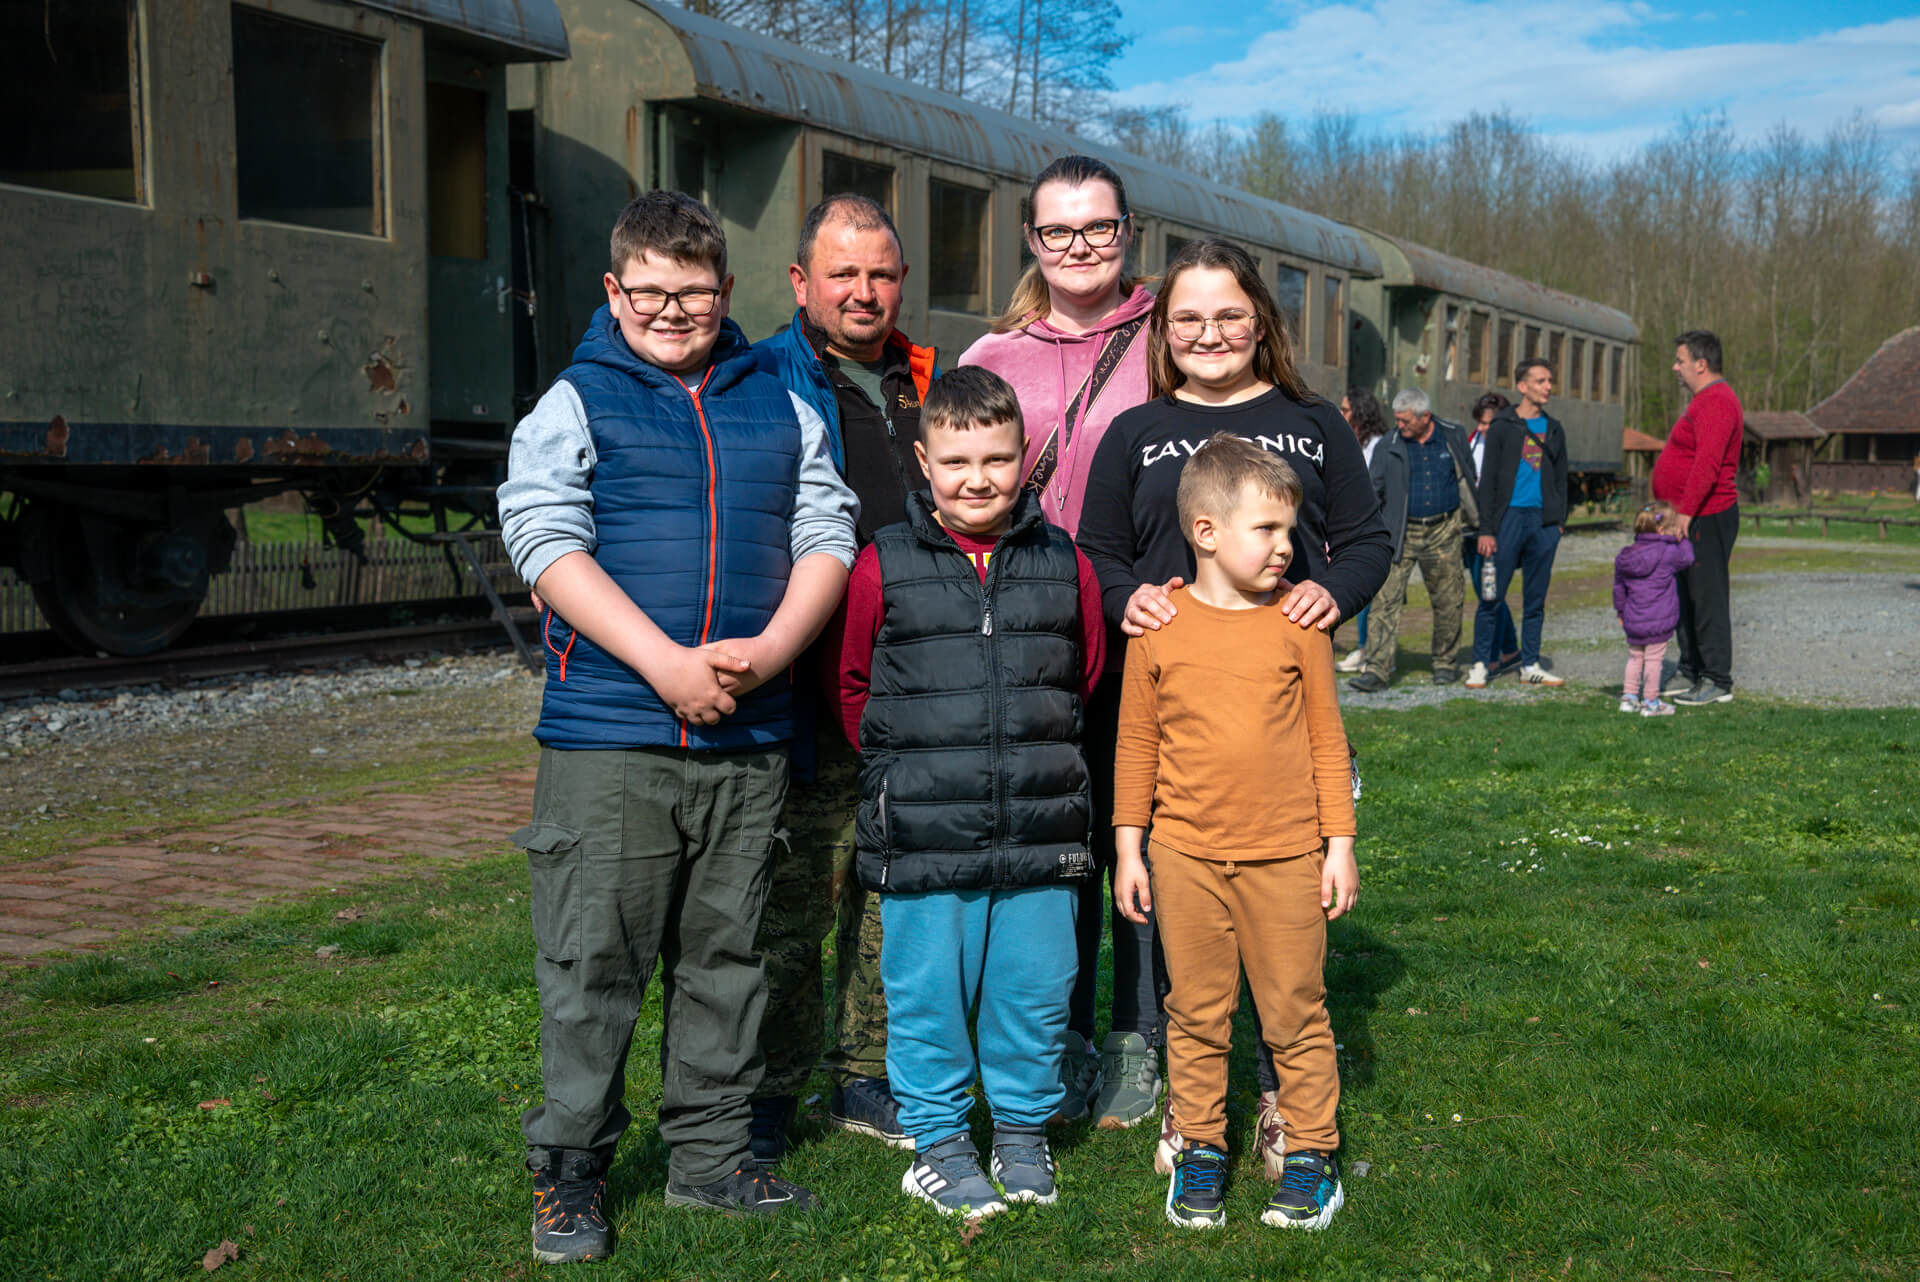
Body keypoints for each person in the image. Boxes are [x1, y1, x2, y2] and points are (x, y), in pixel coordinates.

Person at [496, 190, 857, 1263]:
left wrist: (773, 654)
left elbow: (826, 532)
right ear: (614, 291)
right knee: (592, 965)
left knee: (727, 959)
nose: (671, 311)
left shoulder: (779, 405)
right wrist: (665, 666)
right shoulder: (576, 401)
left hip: (746, 739)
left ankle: (711, 1160)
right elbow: (544, 539)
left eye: (693, 292)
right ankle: (570, 1172)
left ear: (725, 292)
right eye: (649, 291)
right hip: (612, 739)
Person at [1076, 238, 1389, 1158]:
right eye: (1188, 318)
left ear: (1261, 322)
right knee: (1170, 889)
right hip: (1173, 702)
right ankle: (1171, 1077)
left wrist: (1337, 593)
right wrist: (1121, 596)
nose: (1209, 333)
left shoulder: (1312, 422)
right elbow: (1097, 550)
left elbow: (1368, 540)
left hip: (1275, 706)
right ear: (1162, 330)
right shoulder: (1136, 430)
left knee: (1281, 916)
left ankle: (1279, 1092)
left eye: (1229, 316)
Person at [824, 365, 1106, 1217]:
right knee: (929, 997)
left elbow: (1084, 676)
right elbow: (853, 685)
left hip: (1040, 830)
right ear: (924, 462)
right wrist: (906, 773)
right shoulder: (883, 564)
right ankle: (940, 1142)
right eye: (955, 462)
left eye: (996, 459)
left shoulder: (1066, 563)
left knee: (1035, 990)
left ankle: (1020, 1131)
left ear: (1025, 457)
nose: (977, 479)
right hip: (923, 833)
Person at [1110, 433, 1358, 1232]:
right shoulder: (1158, 625)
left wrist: (1339, 845)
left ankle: (1312, 1154)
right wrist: (1129, 847)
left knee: (1295, 1011)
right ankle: (1202, 1149)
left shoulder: (1300, 624)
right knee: (1194, 1012)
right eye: (1269, 530)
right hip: (1183, 857)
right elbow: (1136, 743)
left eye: (1291, 530)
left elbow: (1326, 739)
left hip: (1286, 856)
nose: (1287, 547)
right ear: (1207, 532)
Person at [957, 154, 1156, 1123]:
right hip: (1035, 638)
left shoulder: (1168, 340)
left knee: (1148, 837)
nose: (1080, 246)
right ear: (1032, 240)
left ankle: (1141, 1038)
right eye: (1058, 230)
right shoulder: (992, 357)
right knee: (1058, 842)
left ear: (1128, 232)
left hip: (1149, 632)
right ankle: (1062, 1037)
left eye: (1099, 227)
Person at [748, 194, 938, 1161]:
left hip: (912, 693)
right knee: (791, 908)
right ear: (801, 282)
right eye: (842, 274)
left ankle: (866, 1075)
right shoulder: (758, 377)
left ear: (901, 283)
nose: (863, 292)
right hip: (805, 695)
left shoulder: (931, 383)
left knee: (889, 900)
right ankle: (770, 1092)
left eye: (880, 274)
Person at [1348, 388, 1479, 691]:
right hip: (1400, 533)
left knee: (1449, 600)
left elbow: (1468, 476)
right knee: (1385, 601)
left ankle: (1445, 663)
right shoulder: (1388, 445)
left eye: (1405, 421)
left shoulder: (1453, 435)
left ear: (1425, 417)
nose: (1400, 426)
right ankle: (1377, 669)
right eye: (1397, 420)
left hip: (1443, 530)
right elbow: (1373, 490)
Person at [1651, 330, 1743, 706]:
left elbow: (1707, 463)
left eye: (1681, 361)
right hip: (1687, 515)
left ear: (1701, 364)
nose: (1676, 367)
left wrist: (1686, 511)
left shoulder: (1717, 401)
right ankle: (1690, 668)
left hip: (1707, 514)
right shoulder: (1703, 401)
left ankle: (1717, 679)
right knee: (1685, 598)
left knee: (1707, 598)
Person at [1467, 359, 1569, 689]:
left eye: (1549, 380)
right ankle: (1481, 663)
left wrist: (1559, 522)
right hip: (1507, 520)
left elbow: (1562, 478)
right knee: (1491, 596)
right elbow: (1488, 482)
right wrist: (1486, 530)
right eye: (1541, 381)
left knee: (1535, 599)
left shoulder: (1555, 428)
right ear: (1522, 387)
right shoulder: (1502, 426)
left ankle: (1530, 664)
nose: (1548, 386)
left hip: (1543, 523)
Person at [1613, 499, 1694, 717]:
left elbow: (1619, 587)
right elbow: (1688, 558)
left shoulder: (1625, 556)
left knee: (1635, 657)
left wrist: (1620, 611)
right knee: (1653, 660)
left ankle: (1629, 698)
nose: (1674, 530)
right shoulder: (1668, 552)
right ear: (1660, 530)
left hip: (1633, 618)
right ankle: (1650, 702)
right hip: (1658, 619)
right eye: (1671, 526)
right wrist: (1683, 539)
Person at [1334, 387, 1390, 673]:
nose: (1341, 414)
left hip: (1370, 527)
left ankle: (1370, 650)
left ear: (1360, 413)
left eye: (1346, 410)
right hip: (1346, 527)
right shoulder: (1348, 441)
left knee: (1370, 594)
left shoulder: (1378, 445)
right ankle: (1364, 647)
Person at [1462, 391, 1520, 672]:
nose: (1482, 428)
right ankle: (1510, 648)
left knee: (1490, 592)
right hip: (1471, 527)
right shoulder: (1473, 441)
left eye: (1487, 423)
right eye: (1480, 422)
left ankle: (1495, 653)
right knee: (1486, 589)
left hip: (1494, 527)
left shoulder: (1508, 445)